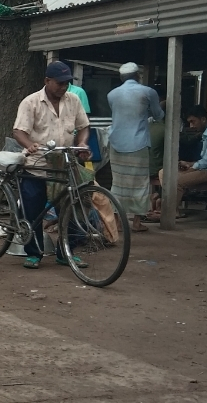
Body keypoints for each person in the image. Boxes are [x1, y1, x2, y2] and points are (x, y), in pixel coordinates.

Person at [12, 61, 92, 269]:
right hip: (36, 165)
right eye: (59, 83)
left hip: (64, 164)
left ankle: (66, 252)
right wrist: (29, 145)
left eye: (66, 83)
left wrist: (82, 142)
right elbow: (19, 131)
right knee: (33, 211)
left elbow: (83, 126)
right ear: (47, 81)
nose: (64, 87)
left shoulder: (73, 100)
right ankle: (34, 253)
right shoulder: (30, 102)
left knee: (71, 209)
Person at [106, 62, 163, 233]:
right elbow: (159, 115)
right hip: (137, 144)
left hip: (116, 144)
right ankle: (136, 222)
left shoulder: (111, 94)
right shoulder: (148, 92)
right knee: (140, 184)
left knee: (118, 184)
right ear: (138, 76)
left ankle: (116, 222)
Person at [156, 105, 207, 218]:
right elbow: (205, 161)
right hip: (206, 167)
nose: (191, 126)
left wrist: (192, 167)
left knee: (177, 181)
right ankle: (170, 207)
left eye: (193, 121)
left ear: (203, 119)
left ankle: (170, 211)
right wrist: (190, 164)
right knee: (163, 172)